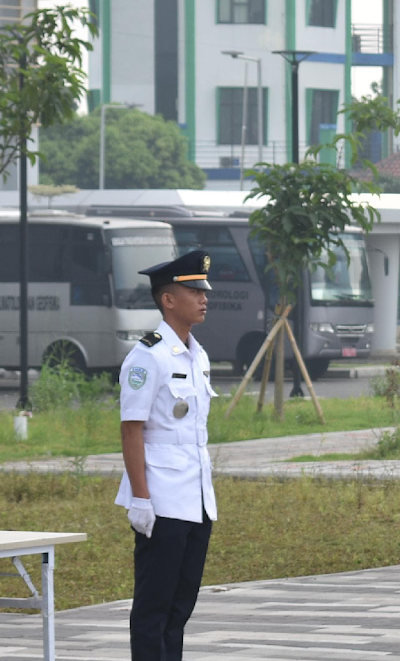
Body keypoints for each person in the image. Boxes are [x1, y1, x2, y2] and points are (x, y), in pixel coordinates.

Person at [118, 250, 217, 661]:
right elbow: (132, 429)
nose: (203, 297)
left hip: (195, 497)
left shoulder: (198, 355)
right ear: (168, 300)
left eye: (204, 290)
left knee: (180, 608)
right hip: (160, 498)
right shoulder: (148, 356)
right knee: (153, 607)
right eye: (193, 290)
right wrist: (141, 498)